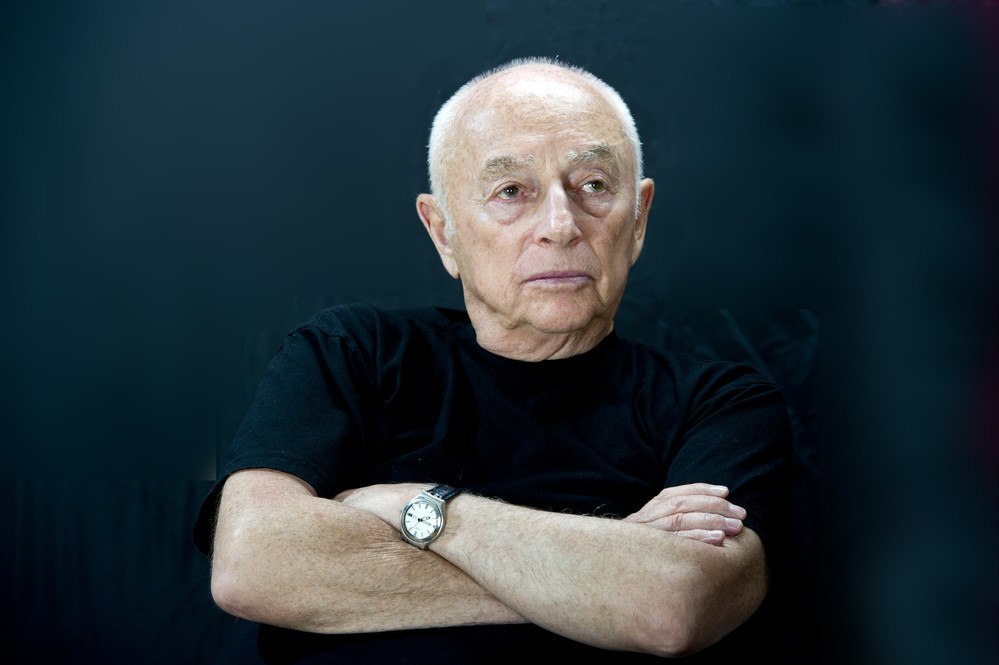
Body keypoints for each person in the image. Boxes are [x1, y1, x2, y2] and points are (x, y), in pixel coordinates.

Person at [194, 58, 792, 663]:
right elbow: (251, 563)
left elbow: (674, 603)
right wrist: (606, 571)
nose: (561, 226)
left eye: (593, 185)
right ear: (444, 232)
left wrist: (413, 507)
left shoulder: (720, 405)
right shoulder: (350, 353)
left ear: (637, 219)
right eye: (511, 192)